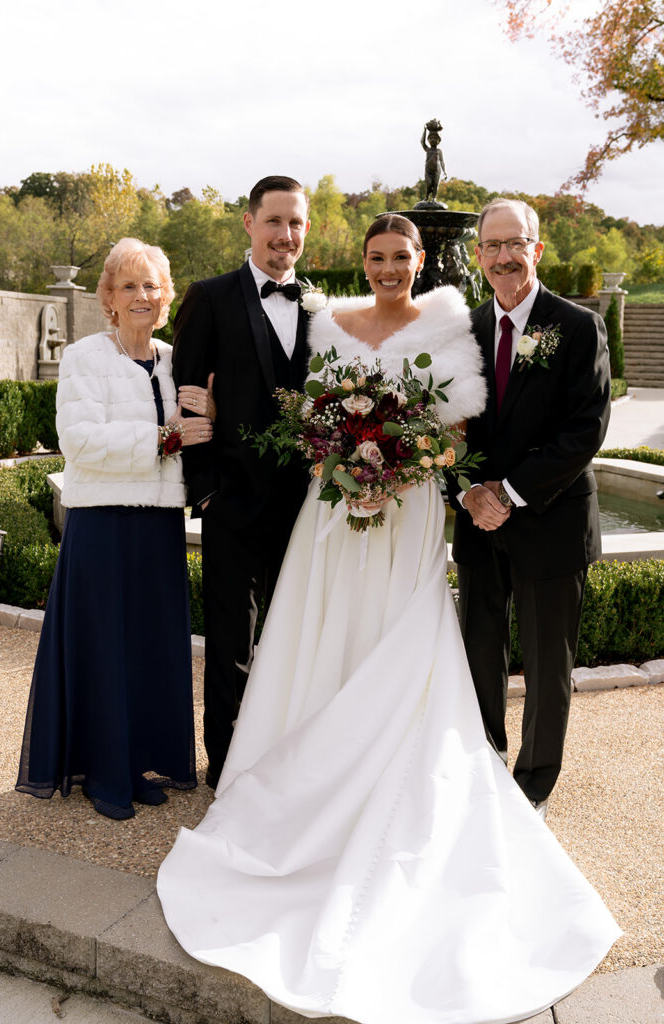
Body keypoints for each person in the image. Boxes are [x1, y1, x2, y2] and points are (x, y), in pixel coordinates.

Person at [158, 215, 619, 1024]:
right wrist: (339, 458)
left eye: (400, 257)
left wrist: (407, 466)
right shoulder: (330, 320)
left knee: (454, 643)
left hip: (411, 510)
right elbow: (304, 409)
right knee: (333, 627)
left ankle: (519, 782)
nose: (387, 268)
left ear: (422, 260)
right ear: (362, 261)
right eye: (375, 257)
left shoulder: (453, 321)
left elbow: (463, 425)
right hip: (338, 508)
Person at [16, 238, 213, 821]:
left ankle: (140, 763)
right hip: (101, 524)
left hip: (159, 523)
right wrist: (163, 439)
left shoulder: (176, 358)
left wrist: (211, 416)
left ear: (165, 295)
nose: (141, 295)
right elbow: (78, 441)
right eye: (128, 286)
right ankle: (104, 772)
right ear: (108, 297)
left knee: (150, 647)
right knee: (103, 648)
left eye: (151, 285)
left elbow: (198, 432)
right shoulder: (84, 357)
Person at [451, 198, 611, 819]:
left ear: (536, 249)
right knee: (479, 654)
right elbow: (445, 428)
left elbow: (585, 428)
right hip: (478, 524)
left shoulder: (577, 326)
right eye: (491, 246)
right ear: (478, 255)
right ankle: (486, 767)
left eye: (514, 243)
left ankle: (534, 787)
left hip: (551, 520)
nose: (503, 257)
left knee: (548, 666)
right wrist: (468, 491)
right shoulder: (461, 332)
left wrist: (509, 492)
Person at [172, 175, 312, 788]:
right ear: (250, 223)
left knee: (294, 637)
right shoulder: (210, 298)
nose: (285, 234)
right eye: (274, 220)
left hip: (308, 505)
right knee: (232, 641)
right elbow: (188, 399)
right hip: (231, 502)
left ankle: (283, 758)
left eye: (296, 223)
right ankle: (226, 768)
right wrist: (205, 491)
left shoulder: (321, 306)